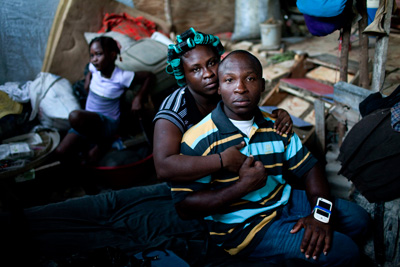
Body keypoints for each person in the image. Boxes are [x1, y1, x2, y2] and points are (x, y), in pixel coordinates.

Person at [169, 50, 370, 266]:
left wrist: (320, 216)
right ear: (218, 88)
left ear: (263, 85)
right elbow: (184, 207)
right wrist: (242, 187)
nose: (240, 88)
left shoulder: (275, 124)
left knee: (359, 220)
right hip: (245, 228)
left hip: (284, 201)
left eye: (250, 78)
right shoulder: (198, 139)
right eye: (229, 80)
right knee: (344, 250)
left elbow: (310, 168)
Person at [153, 27, 293, 182]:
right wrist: (222, 160)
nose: (208, 74)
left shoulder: (227, 89)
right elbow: (163, 168)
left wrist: (276, 115)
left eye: (212, 63)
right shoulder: (174, 110)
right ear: (183, 75)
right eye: (196, 69)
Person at [55, 36, 154, 165]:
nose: (94, 59)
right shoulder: (94, 68)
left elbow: (149, 76)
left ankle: (103, 142)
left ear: (112, 55)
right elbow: (90, 69)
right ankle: (93, 145)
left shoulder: (121, 77)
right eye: (92, 55)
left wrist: (138, 98)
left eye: (99, 54)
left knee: (75, 116)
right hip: (88, 121)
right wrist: (87, 79)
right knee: (60, 153)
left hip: (106, 123)